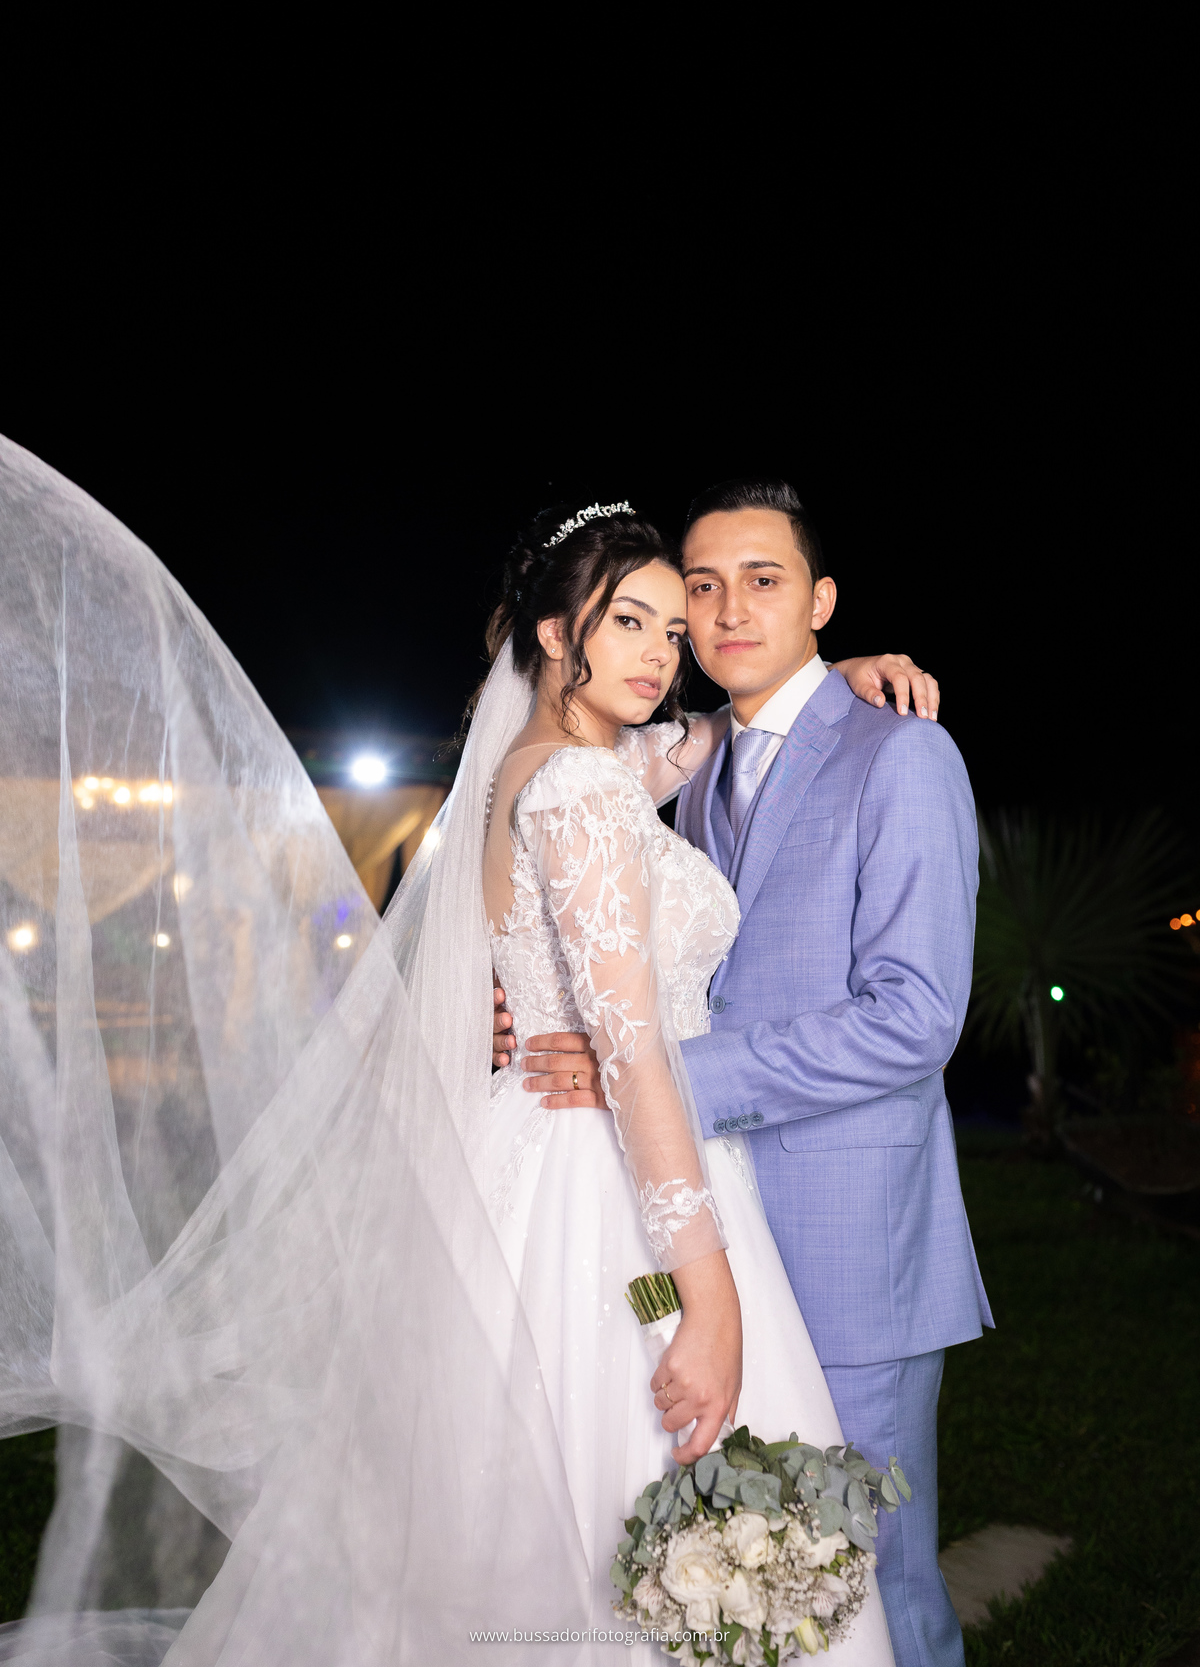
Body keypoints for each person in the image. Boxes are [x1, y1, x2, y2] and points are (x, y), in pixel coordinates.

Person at [0, 441, 922, 1665]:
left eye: (670, 626)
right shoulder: (581, 793)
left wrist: (820, 678)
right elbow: (634, 1055)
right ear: (554, 632)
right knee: (634, 1487)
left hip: (532, 1154)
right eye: (629, 621)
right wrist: (705, 1297)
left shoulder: (539, 772)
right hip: (615, 1185)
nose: (662, 650)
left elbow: (699, 741)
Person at [497, 482, 990, 1667]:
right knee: (737, 1583)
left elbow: (916, 1020)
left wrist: (666, 1074)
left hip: (849, 1242)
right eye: (698, 592)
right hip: (690, 1229)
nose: (723, 613)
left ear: (820, 600)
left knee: (871, 1582)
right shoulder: (681, 766)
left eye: (762, 582)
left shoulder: (903, 756)